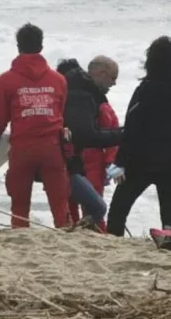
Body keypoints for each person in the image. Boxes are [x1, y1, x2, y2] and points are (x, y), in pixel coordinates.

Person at [106, 36, 171, 236]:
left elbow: (131, 129)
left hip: (140, 161)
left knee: (118, 211)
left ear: (150, 62)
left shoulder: (144, 91)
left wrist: (119, 162)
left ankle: (114, 245)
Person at [0, 23, 70, 228]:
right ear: (41, 46)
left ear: (18, 46)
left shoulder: (5, 81)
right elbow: (60, 112)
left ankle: (20, 234)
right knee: (60, 201)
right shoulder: (58, 79)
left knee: (20, 202)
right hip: (52, 146)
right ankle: (63, 233)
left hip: (22, 147)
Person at [56, 58, 122, 230]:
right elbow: (112, 133)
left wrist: (113, 166)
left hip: (79, 158)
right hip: (90, 160)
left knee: (73, 204)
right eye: (113, 78)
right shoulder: (95, 100)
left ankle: (76, 230)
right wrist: (113, 166)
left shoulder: (72, 98)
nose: (114, 83)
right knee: (91, 206)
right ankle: (90, 233)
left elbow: (110, 133)